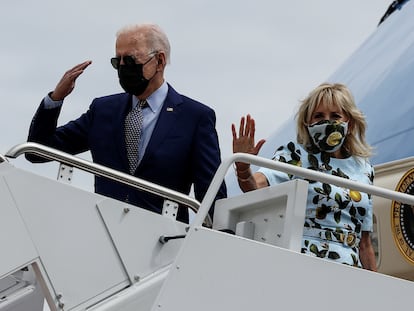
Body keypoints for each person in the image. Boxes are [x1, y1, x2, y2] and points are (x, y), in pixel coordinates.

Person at [26, 23, 227, 223]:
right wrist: (55, 99)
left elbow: (211, 195)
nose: (123, 68)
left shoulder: (195, 117)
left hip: (165, 241)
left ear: (159, 60)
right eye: (118, 61)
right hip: (104, 231)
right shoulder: (103, 110)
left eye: (130, 60)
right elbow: (37, 152)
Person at [232, 83, 376, 270]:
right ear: (307, 124)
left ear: (349, 124)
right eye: (318, 116)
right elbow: (254, 186)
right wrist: (243, 167)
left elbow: (365, 243)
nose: (327, 122)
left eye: (335, 116)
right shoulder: (294, 155)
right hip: (303, 264)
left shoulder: (364, 169)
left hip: (349, 271)